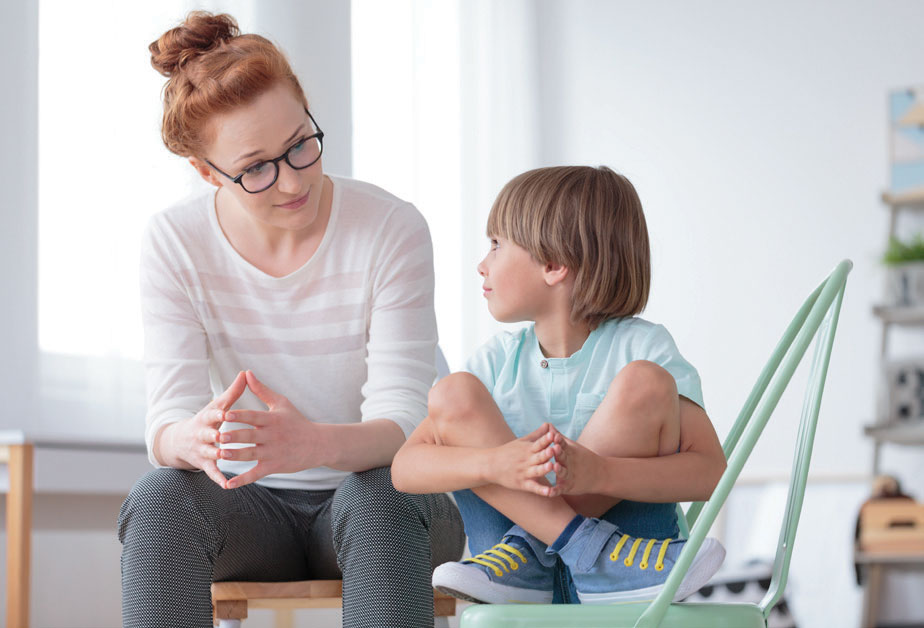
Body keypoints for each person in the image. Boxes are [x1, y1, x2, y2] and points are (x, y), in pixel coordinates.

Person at [117, 11, 464, 628]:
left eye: (301, 144)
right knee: (159, 498)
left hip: (383, 501)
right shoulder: (175, 241)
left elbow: (405, 424)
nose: (293, 181)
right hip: (251, 513)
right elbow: (164, 425)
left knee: (378, 494)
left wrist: (314, 444)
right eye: (255, 168)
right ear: (206, 172)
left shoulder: (390, 228)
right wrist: (188, 438)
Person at [391, 165, 727, 605]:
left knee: (644, 382)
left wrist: (602, 471)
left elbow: (710, 474)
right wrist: (496, 463)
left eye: (496, 245)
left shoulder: (644, 349)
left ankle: (547, 553)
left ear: (553, 265)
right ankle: (566, 554)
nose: (482, 264)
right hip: (513, 579)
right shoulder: (493, 364)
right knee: (453, 392)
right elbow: (405, 469)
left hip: (634, 576)